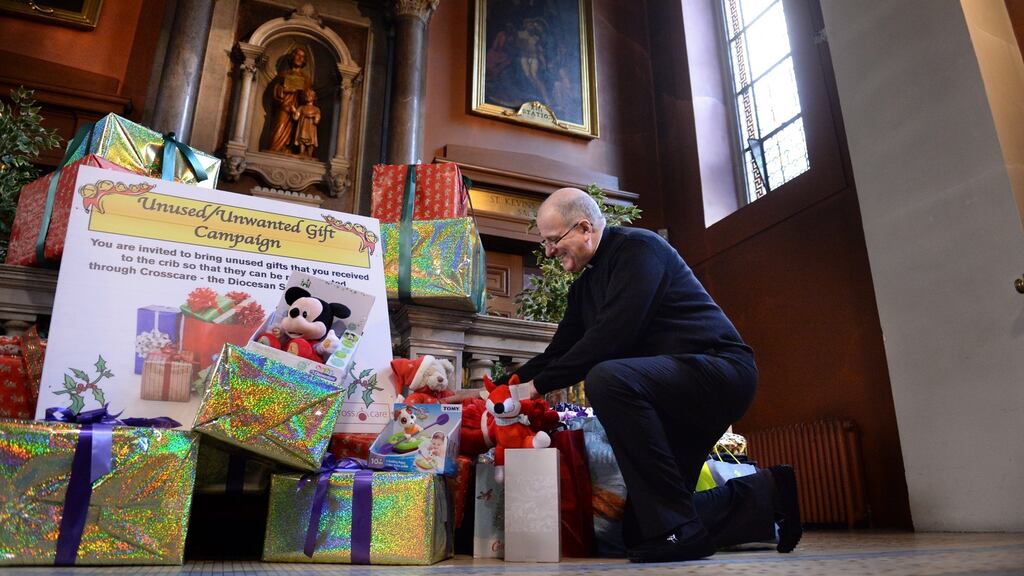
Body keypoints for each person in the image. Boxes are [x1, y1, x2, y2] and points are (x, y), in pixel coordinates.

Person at [503, 187, 801, 563]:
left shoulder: (638, 249)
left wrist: (536, 388)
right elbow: (557, 353)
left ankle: (683, 531)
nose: (547, 252)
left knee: (607, 378)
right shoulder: (583, 288)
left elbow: (613, 335)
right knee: (637, 531)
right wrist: (496, 392)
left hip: (719, 372)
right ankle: (768, 492)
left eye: (552, 240)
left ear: (583, 228)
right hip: (667, 393)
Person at [268, 47, 312, 153]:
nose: (299, 58)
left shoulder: (306, 78)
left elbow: (308, 95)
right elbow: (276, 91)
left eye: (302, 56)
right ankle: (275, 149)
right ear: (292, 57)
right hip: (285, 106)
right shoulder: (284, 74)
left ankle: (291, 149)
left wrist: (304, 94)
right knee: (280, 126)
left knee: (297, 130)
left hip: (298, 109)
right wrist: (285, 89)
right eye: (297, 55)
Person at [292, 88, 320, 158]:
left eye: (310, 95)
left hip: (311, 127)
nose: (308, 96)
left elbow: (317, 118)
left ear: (314, 97)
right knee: (302, 138)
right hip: (303, 126)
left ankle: (310, 154)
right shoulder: (301, 107)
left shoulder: (316, 109)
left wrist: (316, 117)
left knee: (311, 141)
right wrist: (294, 111)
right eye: (306, 95)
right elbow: (296, 117)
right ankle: (301, 152)